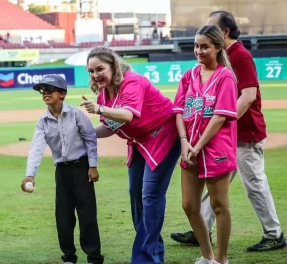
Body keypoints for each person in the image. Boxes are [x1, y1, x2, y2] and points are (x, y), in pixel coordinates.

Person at [170, 10, 286, 253]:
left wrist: (225, 123)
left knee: (254, 182)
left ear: (223, 32)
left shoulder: (239, 56)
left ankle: (274, 234)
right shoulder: (213, 61)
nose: (205, 31)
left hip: (244, 133)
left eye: (211, 28)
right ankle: (201, 230)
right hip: (222, 138)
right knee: (217, 188)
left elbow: (249, 95)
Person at [81, 46, 181, 263]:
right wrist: (84, 134)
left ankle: (144, 258)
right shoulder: (105, 93)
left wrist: (99, 109)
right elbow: (111, 127)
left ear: (113, 66)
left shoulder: (131, 82)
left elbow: (127, 115)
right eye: (90, 71)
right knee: (136, 195)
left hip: (164, 134)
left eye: (100, 69)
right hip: (139, 142)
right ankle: (154, 253)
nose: (95, 75)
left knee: (150, 195)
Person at [21, 74, 104, 264]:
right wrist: (29, 175)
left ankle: (94, 257)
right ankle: (69, 257)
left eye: (50, 89)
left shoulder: (76, 114)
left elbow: (90, 139)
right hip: (62, 171)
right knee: (63, 217)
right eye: (43, 90)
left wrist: (93, 166)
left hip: (82, 168)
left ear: (63, 94)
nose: (45, 93)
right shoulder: (43, 121)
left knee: (87, 215)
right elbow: (36, 148)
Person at [172, 24, 238, 264]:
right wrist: (183, 142)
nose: (199, 51)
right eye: (196, 46)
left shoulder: (225, 77)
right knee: (189, 205)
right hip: (189, 149)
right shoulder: (188, 76)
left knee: (219, 204)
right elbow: (178, 111)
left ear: (218, 47)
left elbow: (220, 117)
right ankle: (207, 255)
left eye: (205, 46)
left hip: (215, 150)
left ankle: (221, 259)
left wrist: (196, 146)